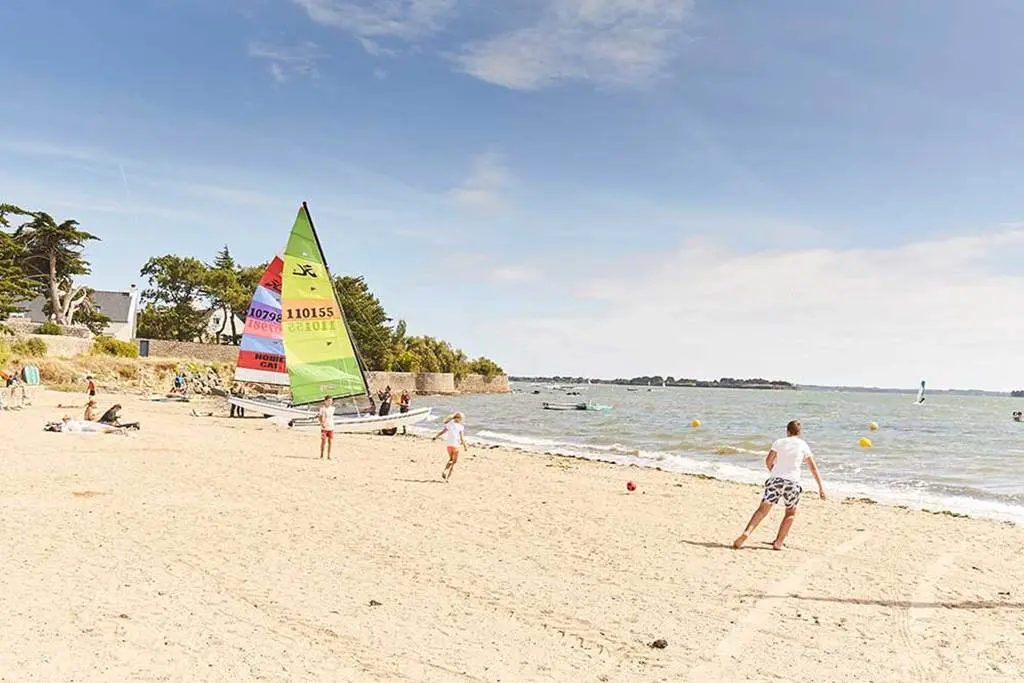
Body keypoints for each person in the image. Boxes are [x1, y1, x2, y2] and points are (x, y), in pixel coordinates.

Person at [733, 420, 826, 551]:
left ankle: (747, 532)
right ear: (799, 433)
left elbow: (768, 460)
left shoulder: (779, 442)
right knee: (790, 513)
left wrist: (774, 473)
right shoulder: (803, 445)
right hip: (792, 483)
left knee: (762, 510)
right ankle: (778, 542)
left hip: (776, 480)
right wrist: (821, 488)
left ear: (787, 431)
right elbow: (813, 467)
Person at [433, 412, 469, 481]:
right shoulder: (461, 427)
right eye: (462, 418)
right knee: (454, 462)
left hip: (449, 445)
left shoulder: (449, 424)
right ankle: (447, 475)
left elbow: (442, 432)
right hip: (456, 445)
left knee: (451, 460)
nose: (462, 420)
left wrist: (436, 437)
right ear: (459, 419)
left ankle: (446, 475)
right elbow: (462, 438)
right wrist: (465, 446)